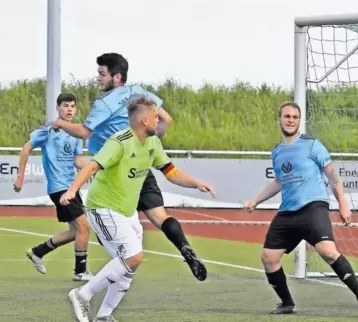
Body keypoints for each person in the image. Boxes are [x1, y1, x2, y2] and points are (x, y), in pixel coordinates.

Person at [50, 52, 207, 282]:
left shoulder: (105, 103)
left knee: (113, 232)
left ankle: (94, 286)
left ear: (116, 76)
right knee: (160, 216)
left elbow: (84, 132)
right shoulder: (140, 92)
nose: (98, 78)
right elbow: (166, 120)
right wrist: (151, 143)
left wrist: (59, 122)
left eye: (102, 74)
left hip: (116, 169)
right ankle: (184, 246)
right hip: (142, 162)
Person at [63, 95, 216, 322]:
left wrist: (196, 183)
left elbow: (171, 171)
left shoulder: (153, 143)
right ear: (145, 121)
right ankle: (82, 294)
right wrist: (73, 189)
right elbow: (92, 166)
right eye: (156, 116)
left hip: (127, 212)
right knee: (133, 257)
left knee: (128, 266)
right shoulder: (120, 142)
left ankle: (104, 316)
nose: (159, 120)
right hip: (103, 208)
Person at [243, 102, 358, 316]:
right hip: (288, 211)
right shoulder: (277, 152)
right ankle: (287, 303)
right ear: (279, 120)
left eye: (295, 117)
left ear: (299, 120)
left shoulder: (312, 144)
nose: (290, 120)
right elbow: (278, 182)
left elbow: (333, 176)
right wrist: (255, 200)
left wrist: (343, 204)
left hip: (313, 206)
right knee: (269, 257)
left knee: (327, 250)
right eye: (286, 116)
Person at [15, 93, 93, 281]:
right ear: (58, 108)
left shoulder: (76, 133)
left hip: (71, 186)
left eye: (72, 106)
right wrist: (20, 176)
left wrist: (92, 168)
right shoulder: (49, 129)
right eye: (65, 106)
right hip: (60, 187)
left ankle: (37, 252)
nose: (69, 109)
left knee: (75, 231)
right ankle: (80, 271)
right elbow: (26, 148)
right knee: (84, 227)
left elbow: (76, 160)